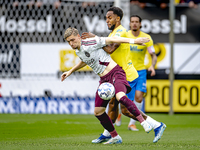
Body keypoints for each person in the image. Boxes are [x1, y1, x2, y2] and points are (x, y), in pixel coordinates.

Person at [82, 6, 166, 144]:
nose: (107, 21)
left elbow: (109, 49)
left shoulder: (120, 32)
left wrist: (95, 38)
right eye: (106, 18)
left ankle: (157, 125)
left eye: (110, 17)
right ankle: (109, 134)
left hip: (125, 74)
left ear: (118, 18)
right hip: (117, 73)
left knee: (125, 110)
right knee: (112, 104)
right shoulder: (113, 33)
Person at [61, 27, 153, 144]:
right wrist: (70, 71)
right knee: (98, 111)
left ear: (78, 36)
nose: (71, 43)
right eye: (68, 41)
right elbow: (84, 60)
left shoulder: (91, 41)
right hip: (104, 80)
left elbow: (113, 39)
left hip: (115, 73)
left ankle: (143, 123)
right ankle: (115, 136)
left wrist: (135, 41)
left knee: (121, 97)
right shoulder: (78, 50)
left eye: (72, 40)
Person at [116, 15, 158, 131]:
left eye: (136, 22)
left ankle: (132, 123)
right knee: (125, 98)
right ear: (129, 24)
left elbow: (153, 55)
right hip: (127, 71)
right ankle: (120, 113)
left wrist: (152, 66)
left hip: (140, 71)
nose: (134, 24)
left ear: (140, 24)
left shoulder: (146, 37)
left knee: (139, 97)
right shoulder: (125, 36)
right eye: (132, 22)